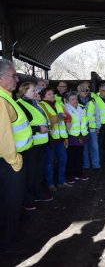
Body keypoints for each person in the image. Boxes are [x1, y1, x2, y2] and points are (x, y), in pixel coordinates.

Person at [0, 59, 33, 252]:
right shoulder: (2, 100)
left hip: (11, 160)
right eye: (13, 75)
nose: (17, 78)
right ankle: (7, 244)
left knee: (10, 204)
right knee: (9, 204)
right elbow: (3, 136)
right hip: (9, 162)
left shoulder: (7, 96)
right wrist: (15, 161)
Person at [16, 82, 52, 210]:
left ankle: (38, 193)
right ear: (24, 91)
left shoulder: (35, 103)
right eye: (33, 90)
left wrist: (47, 128)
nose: (36, 92)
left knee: (38, 172)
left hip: (41, 142)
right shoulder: (20, 105)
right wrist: (37, 128)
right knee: (31, 174)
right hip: (31, 145)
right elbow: (20, 126)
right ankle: (29, 199)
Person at [39, 87, 71, 189]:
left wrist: (66, 118)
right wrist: (60, 116)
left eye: (52, 94)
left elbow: (68, 116)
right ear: (43, 96)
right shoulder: (41, 106)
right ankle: (50, 183)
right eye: (49, 94)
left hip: (61, 138)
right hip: (50, 138)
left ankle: (61, 181)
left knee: (63, 160)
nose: (52, 95)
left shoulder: (59, 104)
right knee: (49, 162)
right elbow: (48, 120)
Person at [65, 91, 89, 182]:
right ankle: (70, 175)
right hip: (72, 136)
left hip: (82, 135)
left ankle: (79, 173)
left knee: (79, 156)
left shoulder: (81, 108)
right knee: (71, 157)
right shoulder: (66, 109)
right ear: (67, 101)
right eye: (72, 99)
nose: (75, 100)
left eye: (76, 98)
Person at [78, 82, 101, 171]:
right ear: (79, 91)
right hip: (81, 130)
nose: (85, 91)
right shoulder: (75, 101)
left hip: (92, 129)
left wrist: (98, 127)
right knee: (84, 148)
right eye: (83, 90)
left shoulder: (93, 100)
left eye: (87, 90)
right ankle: (86, 165)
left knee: (95, 147)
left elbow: (97, 114)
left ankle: (96, 165)